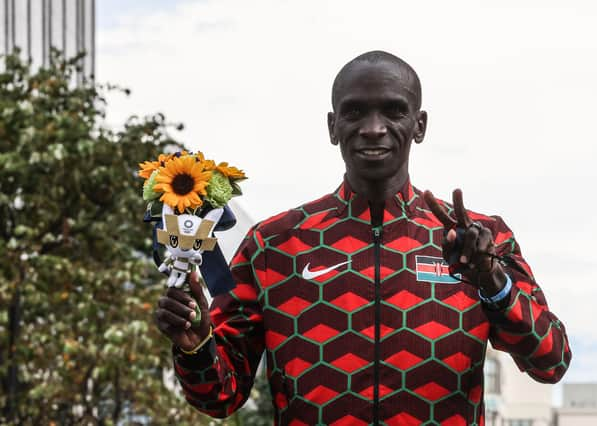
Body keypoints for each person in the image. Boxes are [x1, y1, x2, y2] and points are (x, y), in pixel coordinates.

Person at [155, 51, 571, 425]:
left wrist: (493, 284)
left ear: (419, 125)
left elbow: (551, 362)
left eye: (393, 111)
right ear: (333, 126)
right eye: (355, 112)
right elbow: (220, 397)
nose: (374, 129)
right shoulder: (271, 245)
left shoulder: (482, 240)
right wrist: (195, 346)